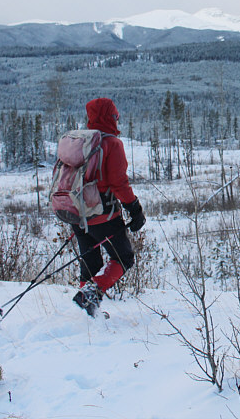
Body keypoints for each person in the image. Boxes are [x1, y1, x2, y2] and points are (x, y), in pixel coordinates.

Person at [71, 97, 146, 316]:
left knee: (91, 263)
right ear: (109, 117)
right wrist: (134, 209)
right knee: (123, 257)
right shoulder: (111, 144)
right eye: (115, 115)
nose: (117, 119)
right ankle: (89, 296)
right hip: (103, 214)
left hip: (77, 214)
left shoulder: (80, 141)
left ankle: (86, 315)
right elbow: (119, 183)